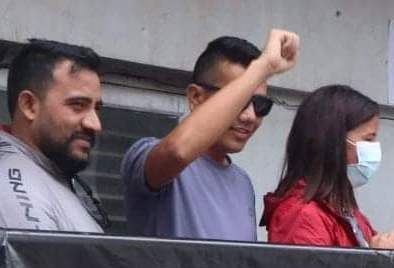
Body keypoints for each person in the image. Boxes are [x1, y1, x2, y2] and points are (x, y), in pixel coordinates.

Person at [121, 31, 299, 241]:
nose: (250, 116)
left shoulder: (242, 183)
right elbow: (177, 152)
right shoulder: (146, 155)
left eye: (260, 104)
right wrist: (262, 68)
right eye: (238, 98)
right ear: (196, 97)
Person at [261, 85, 394, 250]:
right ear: (332, 144)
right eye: (368, 139)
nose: (375, 148)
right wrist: (379, 261)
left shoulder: (344, 208)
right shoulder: (302, 216)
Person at [0, 39, 107, 232]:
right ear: (29, 106)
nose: (95, 124)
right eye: (77, 105)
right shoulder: (16, 186)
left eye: (97, 108)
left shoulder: (51, 177)